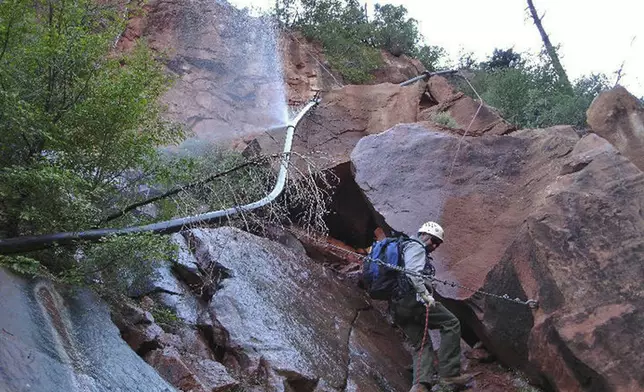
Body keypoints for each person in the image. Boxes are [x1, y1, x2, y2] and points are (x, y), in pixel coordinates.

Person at [390, 221, 473, 391]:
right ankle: (450, 374)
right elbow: (412, 274)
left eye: (438, 244)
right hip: (414, 302)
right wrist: (425, 295)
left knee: (421, 344)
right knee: (451, 323)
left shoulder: (402, 247)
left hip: (398, 306)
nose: (434, 246)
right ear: (424, 235)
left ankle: (420, 385)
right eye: (433, 241)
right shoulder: (416, 247)